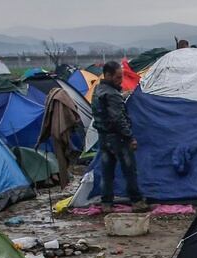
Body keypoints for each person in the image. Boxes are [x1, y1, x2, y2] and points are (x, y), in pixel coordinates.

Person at [91, 60, 147, 213]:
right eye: (118, 77)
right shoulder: (112, 94)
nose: (121, 80)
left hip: (103, 137)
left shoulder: (97, 90)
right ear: (108, 75)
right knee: (129, 170)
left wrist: (122, 96)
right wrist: (130, 137)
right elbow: (118, 118)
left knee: (107, 172)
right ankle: (136, 201)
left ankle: (106, 203)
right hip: (118, 138)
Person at [37, 85, 83, 189]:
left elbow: (47, 122)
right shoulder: (63, 99)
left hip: (58, 134)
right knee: (64, 156)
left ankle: (64, 181)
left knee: (62, 156)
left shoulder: (55, 101)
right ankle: (64, 181)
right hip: (63, 133)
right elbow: (73, 116)